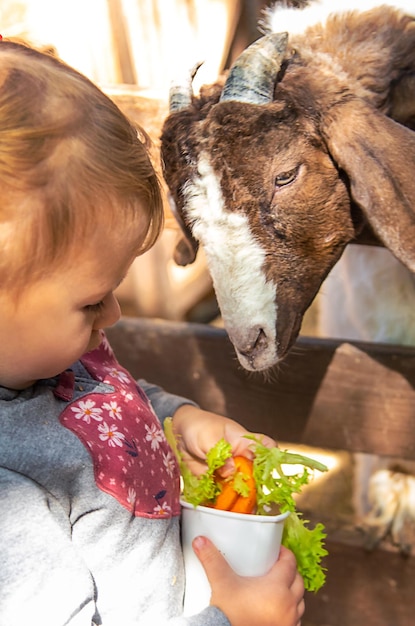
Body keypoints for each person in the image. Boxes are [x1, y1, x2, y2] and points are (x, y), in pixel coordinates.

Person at [0, 39, 305, 626]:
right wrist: (232, 621)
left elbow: (94, 404)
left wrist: (177, 420)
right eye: (90, 301)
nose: (113, 316)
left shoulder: (49, 359)